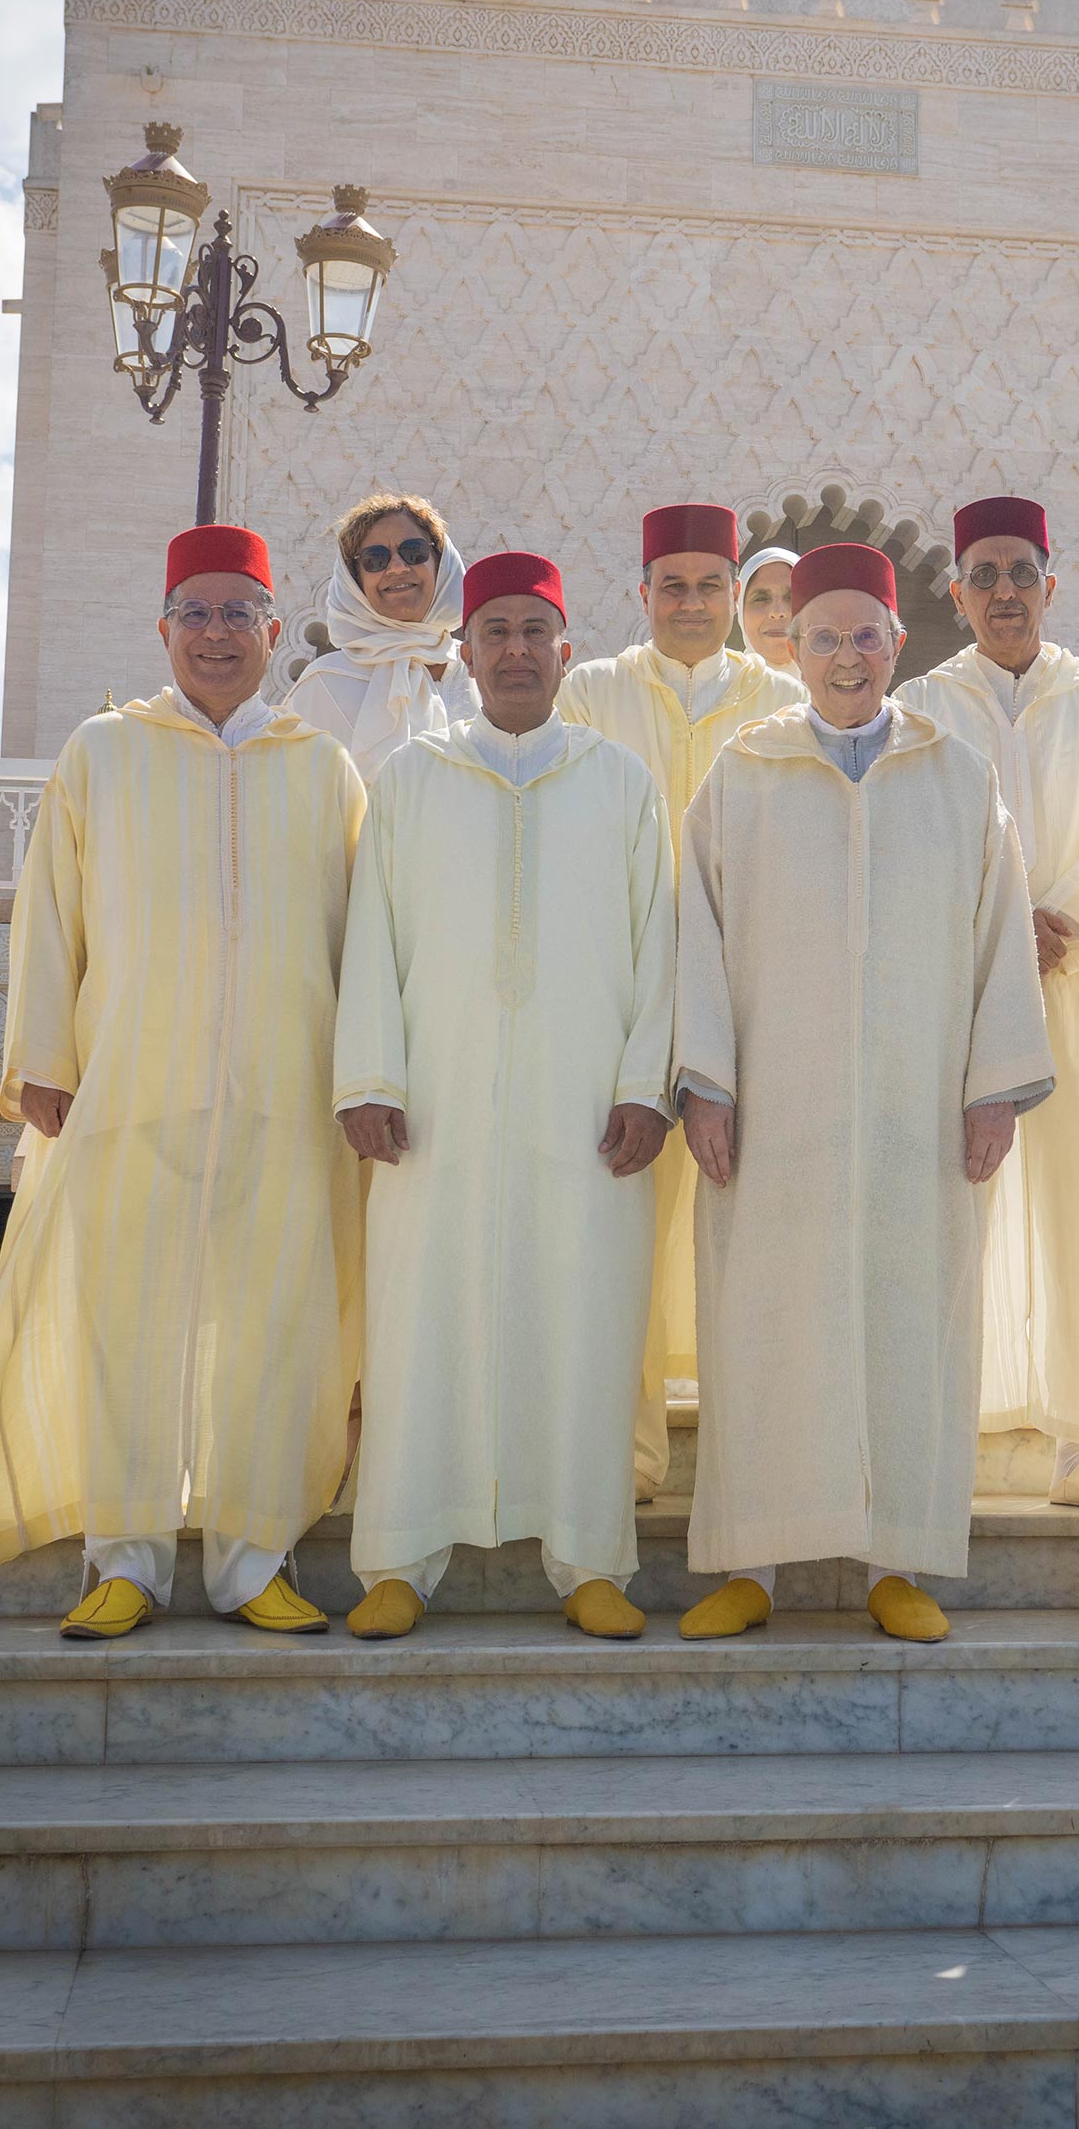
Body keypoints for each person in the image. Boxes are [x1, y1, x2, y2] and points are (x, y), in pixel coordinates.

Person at [0, 524, 362, 1639]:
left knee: (270, 1328)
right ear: (163, 629)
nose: (218, 634)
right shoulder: (104, 749)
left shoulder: (322, 766)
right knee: (124, 1323)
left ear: (276, 631)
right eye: (197, 612)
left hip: (285, 1094)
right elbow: (50, 915)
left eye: (240, 614)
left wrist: (362, 1073)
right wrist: (43, 1056)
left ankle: (251, 1560)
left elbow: (360, 940)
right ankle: (122, 1556)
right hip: (130, 1087)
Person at [671, 542, 1054, 1644]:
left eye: (865, 635)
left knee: (909, 1324)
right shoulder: (742, 771)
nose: (846, 656)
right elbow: (697, 932)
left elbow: (997, 941)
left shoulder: (955, 772)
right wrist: (705, 1082)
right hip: (776, 1118)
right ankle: (754, 1559)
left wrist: (991, 1089)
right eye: (823, 636)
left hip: (910, 1117)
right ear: (790, 649)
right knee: (764, 1325)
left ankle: (902, 1559)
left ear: (898, 644)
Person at [333, 553, 675, 1642]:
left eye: (537, 631)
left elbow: (659, 945)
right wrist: (368, 1077)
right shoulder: (410, 778)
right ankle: (398, 1554)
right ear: (463, 652)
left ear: (567, 651)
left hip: (585, 1111)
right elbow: (370, 943)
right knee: (420, 1319)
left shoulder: (620, 781)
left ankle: (587, 1557)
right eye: (496, 633)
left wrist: (643, 1086)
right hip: (432, 1106)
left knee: (585, 1317)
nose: (517, 650)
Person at [893, 494, 1079, 1510]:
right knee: (960, 1192)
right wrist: (996, 929)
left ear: (1051, 582)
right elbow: (911, 838)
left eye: (1019, 572)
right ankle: (956, 1414)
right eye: (981, 576)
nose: (1002, 592)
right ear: (954, 592)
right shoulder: (921, 705)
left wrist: (1063, 918)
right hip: (959, 992)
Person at [559, 504, 806, 1491]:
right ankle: (625, 1453)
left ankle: (756, 1453)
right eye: (674, 584)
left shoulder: (779, 696)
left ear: (735, 592)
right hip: (616, 993)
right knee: (615, 1220)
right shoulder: (592, 691)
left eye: (711, 584)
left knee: (750, 1218)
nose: (692, 601)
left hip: (748, 997)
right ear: (643, 592)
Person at [281, 493, 474, 779]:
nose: (397, 567)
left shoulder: (479, 671)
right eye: (375, 559)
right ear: (355, 580)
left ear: (441, 563)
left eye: (414, 552)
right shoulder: (324, 686)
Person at [736, 543, 804, 673]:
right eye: (761, 599)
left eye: (791, 597)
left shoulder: (839, 688)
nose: (777, 612)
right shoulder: (723, 689)